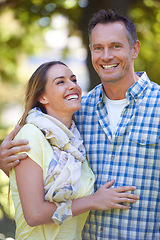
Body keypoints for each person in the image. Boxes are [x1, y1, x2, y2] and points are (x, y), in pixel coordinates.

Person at [0, 8, 159, 239]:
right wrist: (7, 163)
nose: (106, 56)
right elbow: (43, 174)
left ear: (134, 49)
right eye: (98, 48)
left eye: (115, 46)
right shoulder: (78, 112)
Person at [2, 60, 138, 240]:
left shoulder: (75, 144)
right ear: (43, 97)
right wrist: (93, 201)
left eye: (73, 80)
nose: (72, 86)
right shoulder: (31, 134)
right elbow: (34, 214)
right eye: (60, 82)